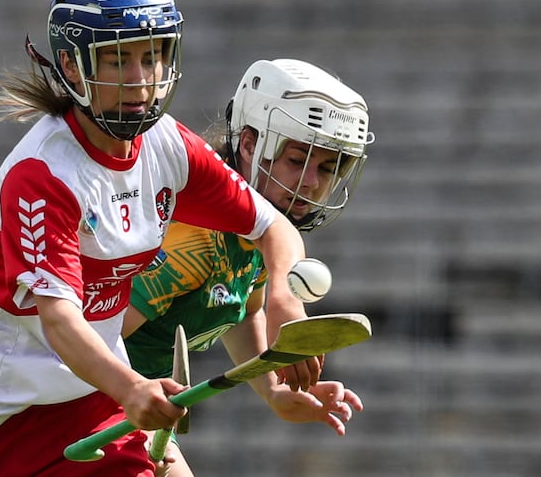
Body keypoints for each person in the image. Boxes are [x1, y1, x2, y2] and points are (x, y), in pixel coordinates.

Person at [0, 0, 319, 477]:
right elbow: (61, 320)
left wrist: (284, 297)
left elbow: (272, 228)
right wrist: (132, 388)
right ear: (71, 64)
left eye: (152, 57)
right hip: (3, 428)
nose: (140, 78)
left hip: (98, 403)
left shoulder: (168, 145)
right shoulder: (45, 175)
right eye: (118, 59)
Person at [123, 58, 376, 476]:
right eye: (298, 161)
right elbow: (89, 340)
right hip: (79, 408)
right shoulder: (195, 241)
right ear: (249, 145)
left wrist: (273, 389)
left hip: (127, 409)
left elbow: (246, 312)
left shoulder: (259, 234)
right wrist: (127, 394)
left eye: (327, 168)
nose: (311, 182)